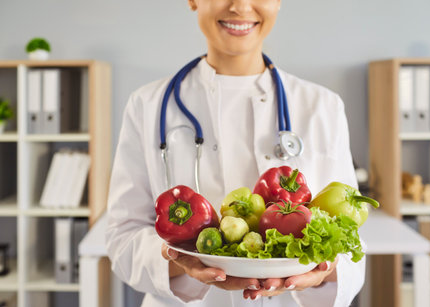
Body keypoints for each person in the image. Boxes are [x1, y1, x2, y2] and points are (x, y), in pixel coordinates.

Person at [106, 0, 366, 306]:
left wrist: (324, 270)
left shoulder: (323, 107)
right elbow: (122, 239)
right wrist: (182, 263)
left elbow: (350, 241)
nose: (241, 6)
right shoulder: (147, 106)